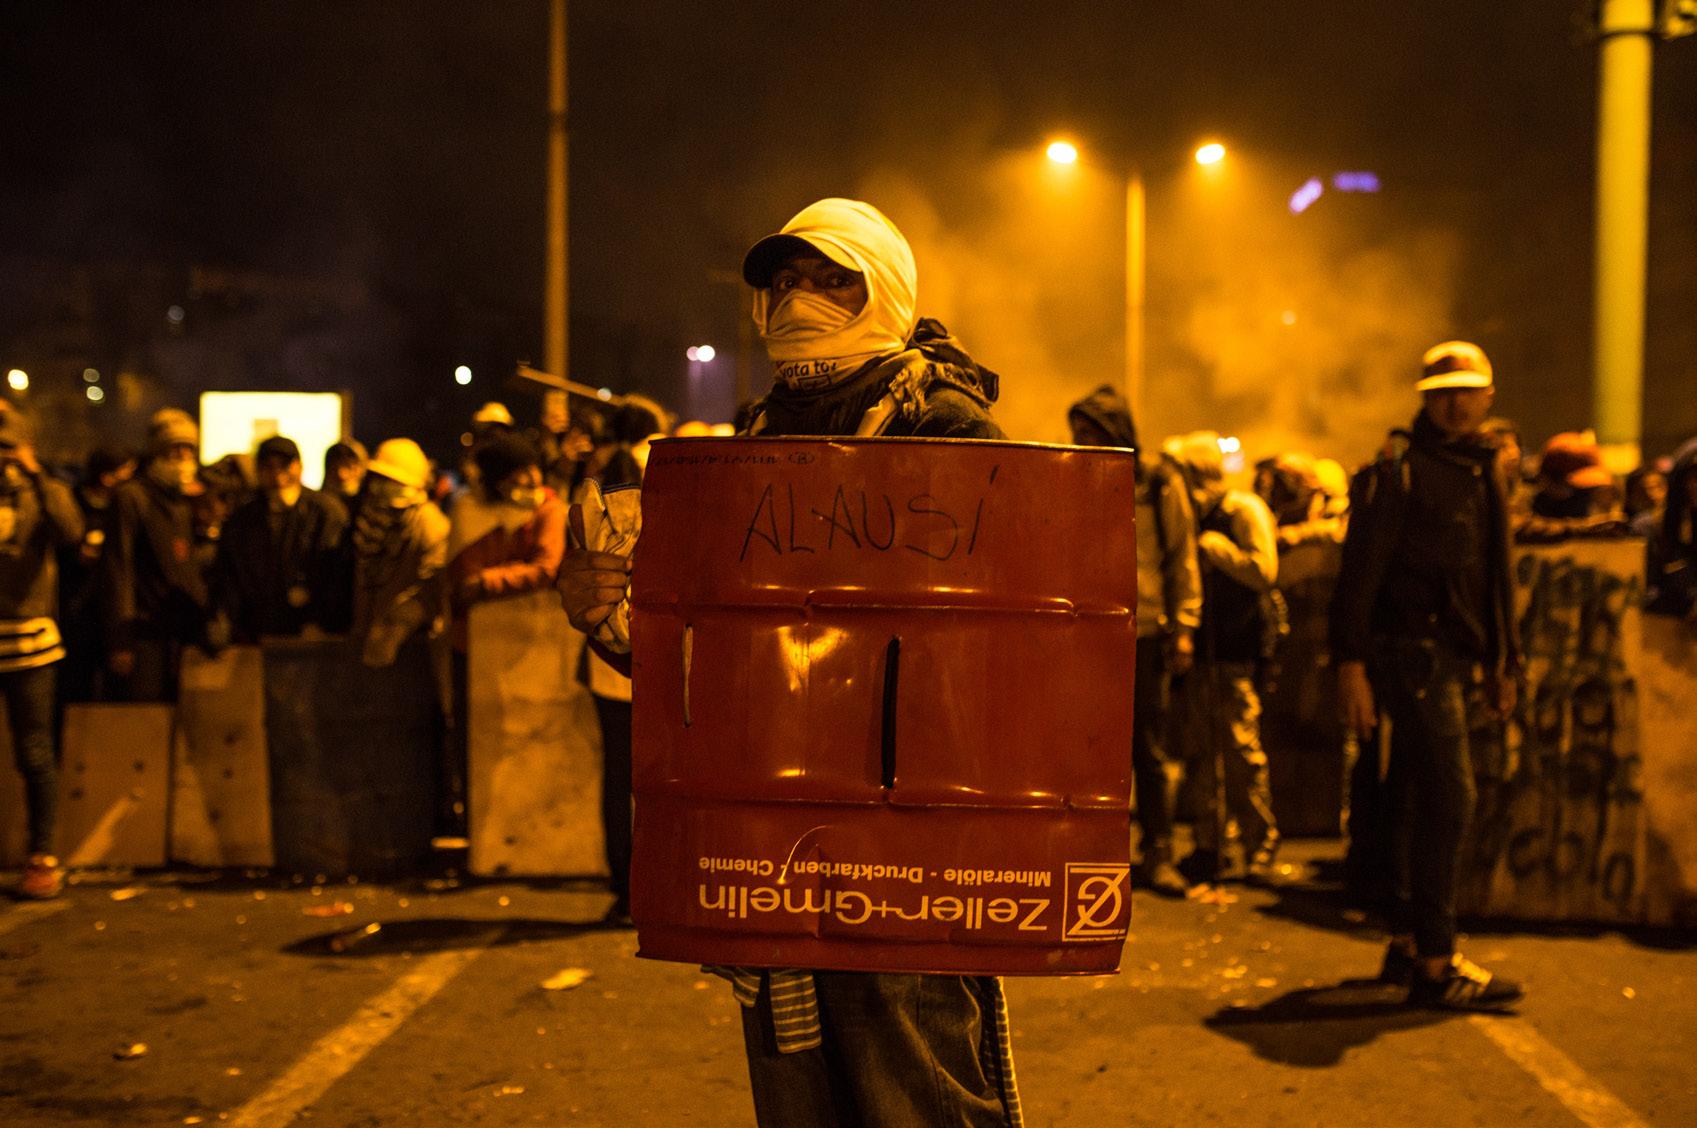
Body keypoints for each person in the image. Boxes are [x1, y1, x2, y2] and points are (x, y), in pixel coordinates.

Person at [559, 197, 1020, 1126]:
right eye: (784, 279)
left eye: (829, 276)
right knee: (802, 1094)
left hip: (908, 843)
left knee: (915, 1086)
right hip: (779, 831)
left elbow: (996, 659)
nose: (799, 294)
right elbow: (719, 664)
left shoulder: (947, 427)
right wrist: (607, 612)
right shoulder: (758, 439)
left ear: (882, 286)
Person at [1330, 339, 1525, 1011]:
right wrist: (1349, 664)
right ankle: (1436, 962)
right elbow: (1358, 576)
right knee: (1452, 797)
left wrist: (1505, 661)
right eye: (1442, 392)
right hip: (1409, 657)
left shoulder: (1482, 468)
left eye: (1467, 390)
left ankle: (1409, 946)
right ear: (1424, 399)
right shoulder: (1399, 469)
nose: (1454, 403)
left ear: (1487, 397)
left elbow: (1494, 573)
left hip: (1454, 660)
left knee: (1417, 798)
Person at [1069, 385, 1199, 897]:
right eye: (1077, 431)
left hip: (1142, 631)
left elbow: (1181, 556)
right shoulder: (1071, 478)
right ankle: (1090, 854)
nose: (1081, 440)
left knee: (1147, 747)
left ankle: (1158, 852)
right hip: (1084, 633)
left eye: (1091, 431)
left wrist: (1184, 626)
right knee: (1086, 745)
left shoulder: (1157, 483)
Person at [1168, 431, 1281, 884]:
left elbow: (1264, 571)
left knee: (1239, 750)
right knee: (1202, 753)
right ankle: (1209, 844)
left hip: (1234, 652)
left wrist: (1222, 552)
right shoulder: (1193, 515)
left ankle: (1259, 843)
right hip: (1205, 654)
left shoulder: (1241, 510)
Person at [443, 434, 568, 842]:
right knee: (476, 740)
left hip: (531, 647)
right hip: (473, 646)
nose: (530, 479)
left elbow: (546, 567)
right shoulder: (472, 513)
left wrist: (488, 582)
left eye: (533, 469)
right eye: (518, 474)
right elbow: (459, 577)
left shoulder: (549, 512)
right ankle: (480, 834)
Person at [0, 410, 85, 898]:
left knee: (34, 753)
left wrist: (37, 473)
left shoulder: (40, 492)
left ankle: (42, 855)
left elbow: (71, 531)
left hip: (31, 637)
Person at [106, 408, 211, 701]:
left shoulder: (183, 501)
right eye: (174, 451)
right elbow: (118, 569)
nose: (183, 459)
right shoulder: (132, 497)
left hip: (181, 632)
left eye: (188, 451)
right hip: (143, 635)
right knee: (145, 722)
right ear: (157, 454)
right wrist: (120, 639)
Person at [211, 436, 349, 645]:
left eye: (285, 464)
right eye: (268, 465)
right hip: (256, 633)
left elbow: (336, 574)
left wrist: (320, 622)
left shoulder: (326, 513)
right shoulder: (243, 519)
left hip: (309, 633)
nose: (277, 472)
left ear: (299, 467)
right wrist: (226, 624)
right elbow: (229, 575)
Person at [350, 438, 449, 669]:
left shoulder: (428, 521)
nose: (381, 487)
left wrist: (400, 623)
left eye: (390, 480)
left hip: (412, 649)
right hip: (369, 638)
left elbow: (434, 585)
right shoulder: (372, 518)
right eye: (379, 479)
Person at [57, 445, 135, 703]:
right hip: (77, 615)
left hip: (112, 616)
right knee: (76, 690)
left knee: (117, 696)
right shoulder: (72, 504)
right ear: (107, 477)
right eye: (126, 473)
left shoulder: (126, 508)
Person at [1646, 436, 1697, 618]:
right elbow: (1643, 594)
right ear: (1681, 483)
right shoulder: (1654, 527)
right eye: (1695, 478)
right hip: (1669, 637)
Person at [323, 439, 369, 508]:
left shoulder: (367, 510)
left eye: (351, 467)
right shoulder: (314, 510)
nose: (342, 475)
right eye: (334, 469)